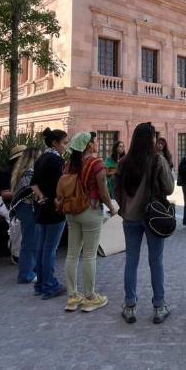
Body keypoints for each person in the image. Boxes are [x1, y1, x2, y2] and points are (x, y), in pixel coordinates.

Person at [114, 122, 174, 325]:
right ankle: (159, 306)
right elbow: (169, 188)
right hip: (153, 217)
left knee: (131, 261)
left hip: (130, 217)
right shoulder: (157, 160)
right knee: (156, 261)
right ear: (151, 139)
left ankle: (130, 306)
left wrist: (125, 207)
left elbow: (116, 190)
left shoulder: (124, 162)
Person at [62, 131, 118, 313]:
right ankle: (90, 297)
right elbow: (103, 191)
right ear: (88, 145)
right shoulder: (96, 164)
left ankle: (72, 297)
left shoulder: (69, 164)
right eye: (94, 141)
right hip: (90, 211)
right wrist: (112, 207)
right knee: (89, 255)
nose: (96, 143)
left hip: (71, 211)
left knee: (72, 254)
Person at [30, 127, 70, 299]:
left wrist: (41, 196)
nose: (66, 147)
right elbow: (61, 186)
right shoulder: (57, 161)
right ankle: (49, 285)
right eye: (64, 143)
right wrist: (56, 200)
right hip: (54, 209)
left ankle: (40, 284)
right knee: (50, 249)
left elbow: (33, 183)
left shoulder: (41, 159)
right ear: (55, 143)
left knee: (42, 247)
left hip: (42, 207)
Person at [10, 146, 40, 284]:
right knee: (30, 242)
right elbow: (31, 192)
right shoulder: (29, 174)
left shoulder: (21, 173)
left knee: (29, 241)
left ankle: (29, 271)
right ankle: (26, 274)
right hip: (29, 209)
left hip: (24, 209)